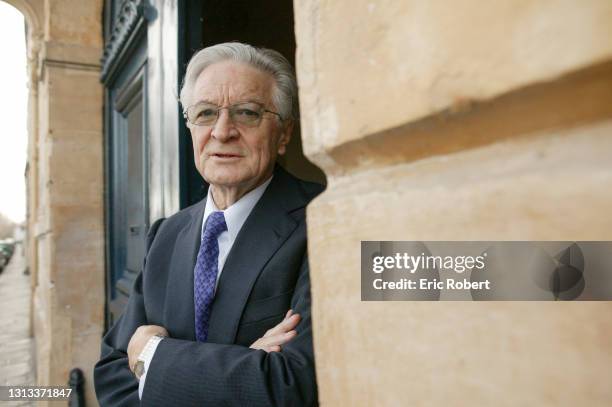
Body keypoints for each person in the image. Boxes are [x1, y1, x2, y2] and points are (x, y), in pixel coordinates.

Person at [94, 42, 323, 406]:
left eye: (247, 113)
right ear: (190, 127)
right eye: (204, 113)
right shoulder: (166, 234)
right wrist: (247, 363)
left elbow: (294, 386)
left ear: (284, 134)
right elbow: (110, 371)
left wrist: (151, 354)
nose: (222, 131)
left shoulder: (325, 218)